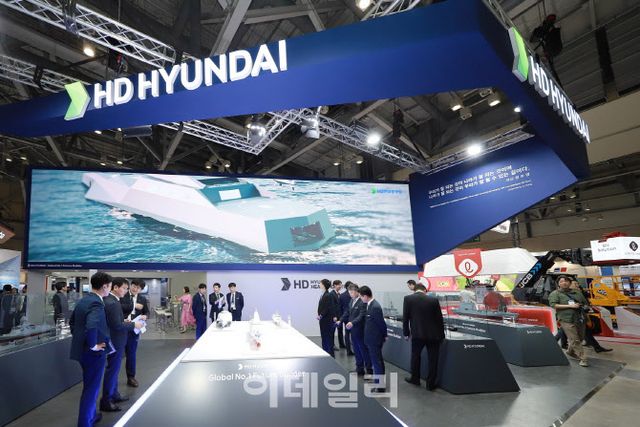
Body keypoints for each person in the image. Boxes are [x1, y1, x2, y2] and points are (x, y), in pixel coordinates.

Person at [69, 271, 112, 427]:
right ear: (104, 286)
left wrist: (81, 341)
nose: (110, 289)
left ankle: (91, 416)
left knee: (90, 385)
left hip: (82, 351)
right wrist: (93, 345)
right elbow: (91, 325)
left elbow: (72, 322)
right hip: (93, 353)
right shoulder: (96, 303)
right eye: (110, 286)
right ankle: (84, 423)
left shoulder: (84, 300)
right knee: (91, 389)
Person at [100, 278, 144, 413]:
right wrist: (133, 324)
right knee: (112, 370)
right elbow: (117, 326)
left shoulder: (113, 300)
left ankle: (114, 394)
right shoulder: (112, 302)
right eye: (124, 288)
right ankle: (107, 401)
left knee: (114, 370)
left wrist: (124, 321)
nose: (126, 291)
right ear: (115, 287)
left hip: (116, 340)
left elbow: (116, 322)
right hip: (115, 341)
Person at [402, 283, 445, 390]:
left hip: (417, 334)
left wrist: (406, 333)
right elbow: (439, 319)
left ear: (415, 290)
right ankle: (430, 384)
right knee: (433, 359)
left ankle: (415, 379)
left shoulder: (408, 299)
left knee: (415, 357)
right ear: (425, 290)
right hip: (434, 335)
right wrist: (442, 335)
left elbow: (405, 318)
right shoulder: (433, 300)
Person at [549, 276, 589, 367]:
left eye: (566, 281)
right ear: (558, 284)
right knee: (574, 339)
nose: (564, 283)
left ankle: (570, 351)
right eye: (561, 281)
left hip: (580, 318)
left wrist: (584, 306)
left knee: (580, 337)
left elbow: (585, 303)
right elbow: (553, 305)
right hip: (566, 319)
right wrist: (570, 306)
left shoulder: (577, 292)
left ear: (570, 283)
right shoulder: (555, 293)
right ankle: (583, 358)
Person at [570, 280, 612, 353]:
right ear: (570, 285)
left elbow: (585, 301)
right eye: (575, 284)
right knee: (566, 332)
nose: (577, 285)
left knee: (586, 331)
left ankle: (595, 346)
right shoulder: (569, 294)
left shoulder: (579, 292)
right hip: (575, 316)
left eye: (577, 283)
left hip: (581, 315)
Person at [121, 279, 149, 388]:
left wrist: (145, 316)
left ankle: (131, 377)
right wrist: (134, 305)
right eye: (134, 286)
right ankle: (111, 381)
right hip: (121, 328)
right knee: (116, 355)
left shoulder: (142, 299)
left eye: (138, 288)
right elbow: (119, 307)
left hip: (134, 330)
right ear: (130, 285)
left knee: (131, 354)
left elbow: (146, 311)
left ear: (141, 289)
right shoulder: (122, 295)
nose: (135, 289)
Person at [360, 285, 387, 393]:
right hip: (371, 339)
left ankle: (380, 386)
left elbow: (381, 324)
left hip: (375, 339)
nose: (361, 299)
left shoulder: (375, 307)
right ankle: (379, 383)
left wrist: (385, 335)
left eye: (361, 296)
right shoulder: (369, 305)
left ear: (365, 296)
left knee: (377, 362)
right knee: (377, 361)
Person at [338, 283, 369, 375]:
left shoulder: (362, 302)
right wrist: (340, 320)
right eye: (349, 292)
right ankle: (359, 369)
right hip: (353, 330)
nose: (350, 294)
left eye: (351, 292)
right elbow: (347, 312)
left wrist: (352, 322)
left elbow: (361, 315)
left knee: (363, 350)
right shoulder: (352, 301)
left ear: (357, 292)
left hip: (360, 330)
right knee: (356, 350)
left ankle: (369, 370)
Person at [317, 279, 338, 357]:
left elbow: (328, 308)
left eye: (320, 283)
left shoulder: (328, 295)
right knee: (324, 338)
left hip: (327, 320)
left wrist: (321, 315)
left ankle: (330, 356)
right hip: (323, 320)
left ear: (324, 285)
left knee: (327, 339)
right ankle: (325, 354)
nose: (319, 285)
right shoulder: (324, 294)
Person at [334, 280, 349, 351]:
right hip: (340, 315)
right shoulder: (333, 294)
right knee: (341, 330)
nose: (340, 286)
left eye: (341, 285)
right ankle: (342, 344)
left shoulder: (341, 294)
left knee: (341, 330)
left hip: (341, 315)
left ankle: (342, 344)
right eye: (339, 285)